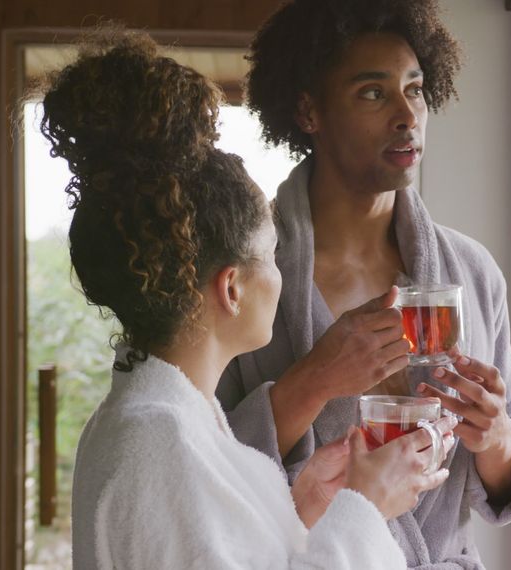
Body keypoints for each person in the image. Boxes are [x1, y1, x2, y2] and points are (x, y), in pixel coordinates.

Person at [41, 28, 456, 569]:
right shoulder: (159, 442)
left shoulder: (179, 422)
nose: (284, 275)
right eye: (271, 253)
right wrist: (366, 509)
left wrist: (303, 503)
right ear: (232, 288)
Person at [218, 1, 511, 567]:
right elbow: (206, 463)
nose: (406, 115)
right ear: (308, 110)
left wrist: (496, 438)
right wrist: (315, 378)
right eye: (373, 92)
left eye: (414, 90)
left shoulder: (470, 270)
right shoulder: (241, 275)